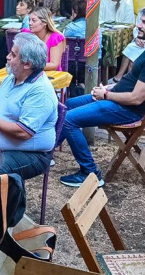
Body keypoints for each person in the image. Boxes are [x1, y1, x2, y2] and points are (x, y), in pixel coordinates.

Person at [58, 12, 145, 187]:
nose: (139, 26)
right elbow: (131, 81)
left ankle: (90, 173)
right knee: (66, 105)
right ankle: (49, 150)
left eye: (143, 22)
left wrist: (105, 95)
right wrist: (108, 88)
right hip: (115, 98)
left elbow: (136, 98)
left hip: (126, 109)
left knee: (68, 120)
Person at [0, 33, 58, 180]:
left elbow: (24, 132)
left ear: (27, 64)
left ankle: (4, 202)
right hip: (0, 145)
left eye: (13, 54)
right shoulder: (12, 78)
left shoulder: (40, 90)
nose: (8, 57)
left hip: (32, 155)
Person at [110, 8, 145, 83]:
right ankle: (121, 78)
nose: (139, 25)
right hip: (140, 42)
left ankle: (128, 81)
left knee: (132, 61)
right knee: (131, 47)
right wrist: (137, 38)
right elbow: (137, 28)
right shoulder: (142, 11)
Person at [28, 7, 66, 71]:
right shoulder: (28, 36)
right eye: (29, 20)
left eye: (34, 20)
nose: (30, 23)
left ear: (45, 22)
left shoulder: (55, 38)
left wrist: (30, 66)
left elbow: (54, 65)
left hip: (51, 75)